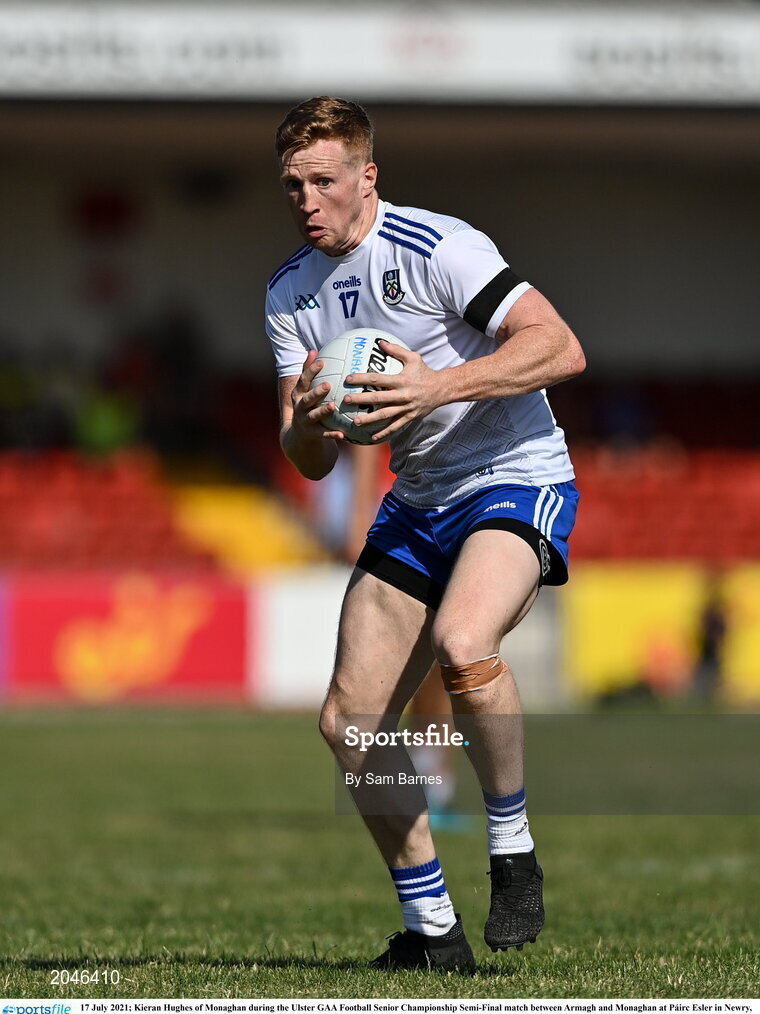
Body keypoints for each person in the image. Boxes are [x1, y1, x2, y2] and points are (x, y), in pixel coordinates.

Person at [265, 96, 586, 973]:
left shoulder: (439, 246)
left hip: (514, 475)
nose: (305, 199)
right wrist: (310, 419)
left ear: (366, 177)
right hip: (419, 500)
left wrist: (434, 390)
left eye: (323, 180)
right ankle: (434, 933)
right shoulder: (290, 294)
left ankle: (512, 849)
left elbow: (558, 347)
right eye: (292, 184)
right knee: (348, 723)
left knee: (463, 641)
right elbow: (310, 463)